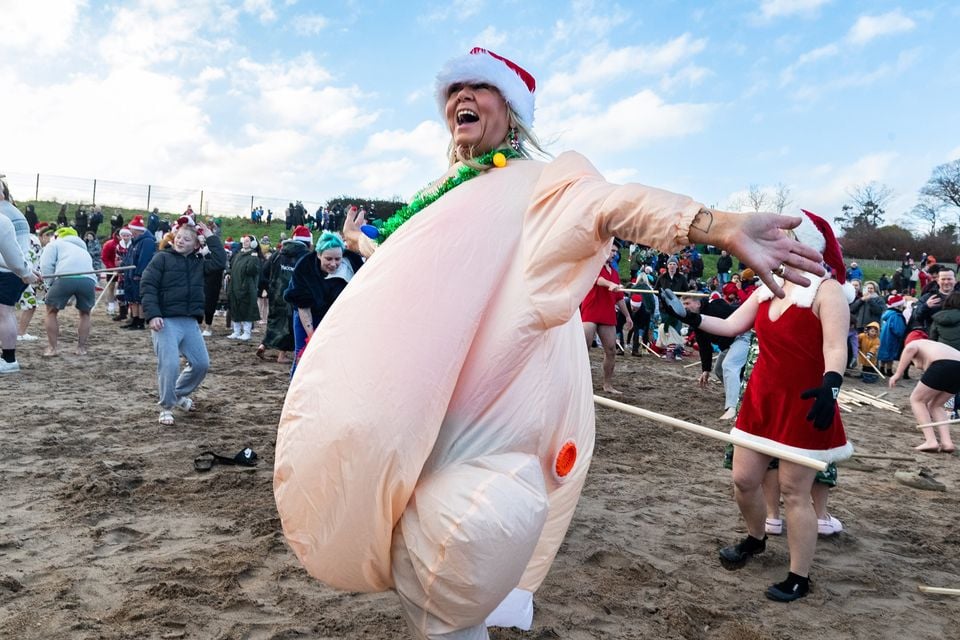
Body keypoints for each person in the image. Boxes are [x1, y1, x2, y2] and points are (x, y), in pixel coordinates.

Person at [273, 48, 826, 637]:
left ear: (510, 110)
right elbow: (405, 264)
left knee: (456, 549)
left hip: (499, 407)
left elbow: (611, 203)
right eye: (454, 89)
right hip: (432, 400)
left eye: (479, 87)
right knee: (419, 539)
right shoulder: (441, 194)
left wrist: (715, 225)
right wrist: (358, 244)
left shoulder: (542, 186)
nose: (463, 96)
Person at [674, 210, 852, 602]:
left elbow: (836, 347)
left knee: (794, 491)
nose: (779, 244)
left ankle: (799, 576)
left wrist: (832, 385)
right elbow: (730, 326)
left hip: (806, 403)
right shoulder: (768, 285)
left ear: (807, 247)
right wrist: (687, 315)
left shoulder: (827, 291)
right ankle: (756, 538)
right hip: (761, 401)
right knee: (743, 479)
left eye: (787, 239)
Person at [141, 222, 225, 426]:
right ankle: (166, 407)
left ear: (196, 245)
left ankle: (177, 394)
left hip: (190, 320)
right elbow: (148, 285)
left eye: (187, 239)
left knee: (201, 364)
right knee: (169, 364)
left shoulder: (199, 262)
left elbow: (220, 261)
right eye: (178, 237)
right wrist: (153, 314)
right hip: (165, 320)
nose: (180, 241)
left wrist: (210, 236)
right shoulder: (161, 258)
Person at [663, 288, 751, 420]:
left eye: (687, 303)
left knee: (729, 365)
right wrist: (706, 369)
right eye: (683, 304)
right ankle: (739, 395)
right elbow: (704, 346)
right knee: (719, 370)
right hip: (728, 344)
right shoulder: (697, 321)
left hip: (744, 335)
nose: (685, 307)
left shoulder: (716, 306)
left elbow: (738, 316)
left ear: (698, 303)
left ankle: (733, 407)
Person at [283, 231, 363, 375]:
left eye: (337, 259)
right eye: (328, 258)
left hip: (335, 315)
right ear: (319, 255)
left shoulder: (353, 265)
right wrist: (311, 336)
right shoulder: (305, 267)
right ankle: (296, 385)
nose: (333, 264)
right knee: (304, 353)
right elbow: (303, 307)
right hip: (308, 313)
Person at [890, 338, 959, 453]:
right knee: (937, 405)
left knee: (917, 400)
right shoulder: (933, 346)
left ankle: (931, 441)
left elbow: (910, 349)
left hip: (944, 364)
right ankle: (947, 443)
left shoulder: (914, 343)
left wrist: (897, 374)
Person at [580, 244, 632, 393]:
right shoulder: (593, 266)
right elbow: (598, 280)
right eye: (611, 250)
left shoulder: (614, 272)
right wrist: (610, 284)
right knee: (584, 348)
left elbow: (619, 298)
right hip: (590, 311)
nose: (614, 254)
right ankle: (579, 383)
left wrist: (628, 316)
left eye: (615, 251)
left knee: (611, 350)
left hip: (607, 313)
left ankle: (607, 385)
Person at [0, 178, 39, 373]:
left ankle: (9, 360)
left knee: (3, 312)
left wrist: (25, 271)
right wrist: (26, 271)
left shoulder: (6, 217)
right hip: (14, 269)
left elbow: (13, 255)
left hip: (9, 272)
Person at [257, 226, 311, 363]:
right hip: (293, 295)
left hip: (275, 293)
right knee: (289, 326)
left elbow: (264, 271)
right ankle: (282, 356)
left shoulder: (278, 254)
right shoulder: (306, 256)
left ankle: (263, 345)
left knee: (274, 320)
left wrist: (266, 288)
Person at [39, 228, 96, 356]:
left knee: (51, 312)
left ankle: (52, 349)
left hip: (65, 277)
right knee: (85, 314)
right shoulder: (83, 249)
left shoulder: (55, 244)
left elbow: (46, 265)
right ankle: (81, 348)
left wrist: (49, 284)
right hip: (88, 279)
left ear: (58, 236)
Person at [121, 215, 156, 330]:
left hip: (138, 275)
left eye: (132, 230)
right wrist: (123, 267)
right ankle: (134, 319)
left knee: (139, 298)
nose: (130, 232)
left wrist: (139, 273)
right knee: (132, 298)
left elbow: (144, 259)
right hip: (130, 273)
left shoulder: (147, 242)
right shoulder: (135, 242)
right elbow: (129, 257)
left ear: (136, 230)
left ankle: (140, 321)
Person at [225, 235, 262, 340]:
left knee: (247, 310)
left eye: (247, 241)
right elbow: (231, 266)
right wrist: (228, 273)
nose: (245, 243)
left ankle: (247, 332)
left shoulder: (254, 257)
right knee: (235, 309)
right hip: (234, 286)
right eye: (244, 241)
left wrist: (253, 258)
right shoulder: (238, 254)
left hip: (247, 288)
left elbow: (251, 271)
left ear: (253, 244)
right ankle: (236, 331)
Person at [912, 268, 956, 334]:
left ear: (955, 280)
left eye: (949, 279)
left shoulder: (958, 296)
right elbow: (916, 317)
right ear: (938, 281)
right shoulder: (927, 297)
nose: (946, 282)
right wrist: (926, 306)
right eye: (943, 279)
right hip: (934, 336)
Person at [878, 294, 907, 376]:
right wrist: (903, 334)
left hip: (885, 336)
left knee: (884, 353)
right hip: (892, 338)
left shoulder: (888, 313)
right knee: (890, 354)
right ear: (898, 305)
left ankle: (882, 368)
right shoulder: (896, 315)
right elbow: (898, 329)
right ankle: (889, 370)